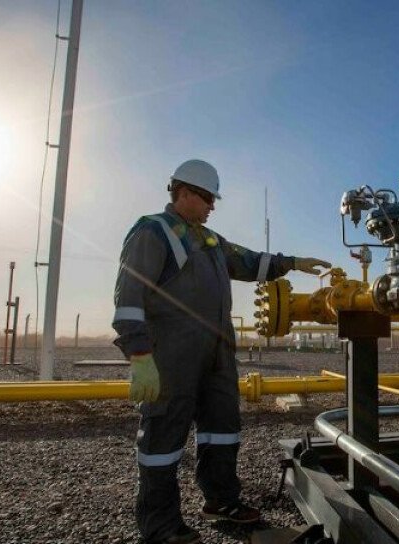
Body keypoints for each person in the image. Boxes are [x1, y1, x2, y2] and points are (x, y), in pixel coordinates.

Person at [112, 159, 331, 544]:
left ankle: (221, 500)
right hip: (172, 354)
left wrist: (292, 263)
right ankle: (160, 525)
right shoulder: (153, 231)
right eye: (207, 198)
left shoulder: (209, 239)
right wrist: (140, 356)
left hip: (216, 352)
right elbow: (129, 297)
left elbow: (249, 262)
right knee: (163, 439)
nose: (213, 205)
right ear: (183, 192)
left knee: (221, 429)